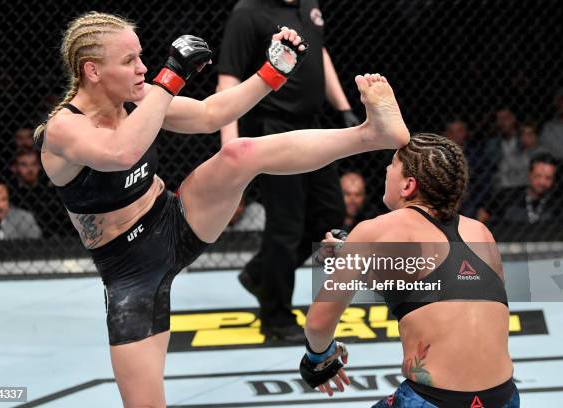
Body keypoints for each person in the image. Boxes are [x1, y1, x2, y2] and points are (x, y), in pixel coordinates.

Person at [36, 11, 409, 408]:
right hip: (131, 272)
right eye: (129, 61)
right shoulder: (62, 129)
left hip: (176, 220)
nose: (143, 68)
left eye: (142, 57)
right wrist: (171, 76)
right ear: (92, 70)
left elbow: (212, 115)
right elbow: (120, 152)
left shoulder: (140, 98)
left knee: (239, 153)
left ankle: (370, 135)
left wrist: (272, 72)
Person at [301, 134, 519, 407]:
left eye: (393, 164)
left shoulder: (376, 230)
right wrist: (353, 254)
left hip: (433, 401)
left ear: (408, 185)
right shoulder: (481, 233)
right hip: (504, 397)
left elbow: (318, 325)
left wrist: (318, 359)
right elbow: (444, 286)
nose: (385, 170)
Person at [217, 0, 358, 342]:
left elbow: (319, 54)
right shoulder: (248, 13)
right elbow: (228, 80)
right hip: (271, 128)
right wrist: (229, 145)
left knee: (330, 214)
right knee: (286, 225)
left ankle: (259, 274)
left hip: (310, 126)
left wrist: (343, 106)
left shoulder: (309, 5)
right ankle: (276, 316)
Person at [478, 153, 561, 240]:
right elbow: (482, 216)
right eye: (538, 176)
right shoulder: (507, 196)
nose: (542, 182)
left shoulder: (557, 203)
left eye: (548, 178)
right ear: (529, 175)